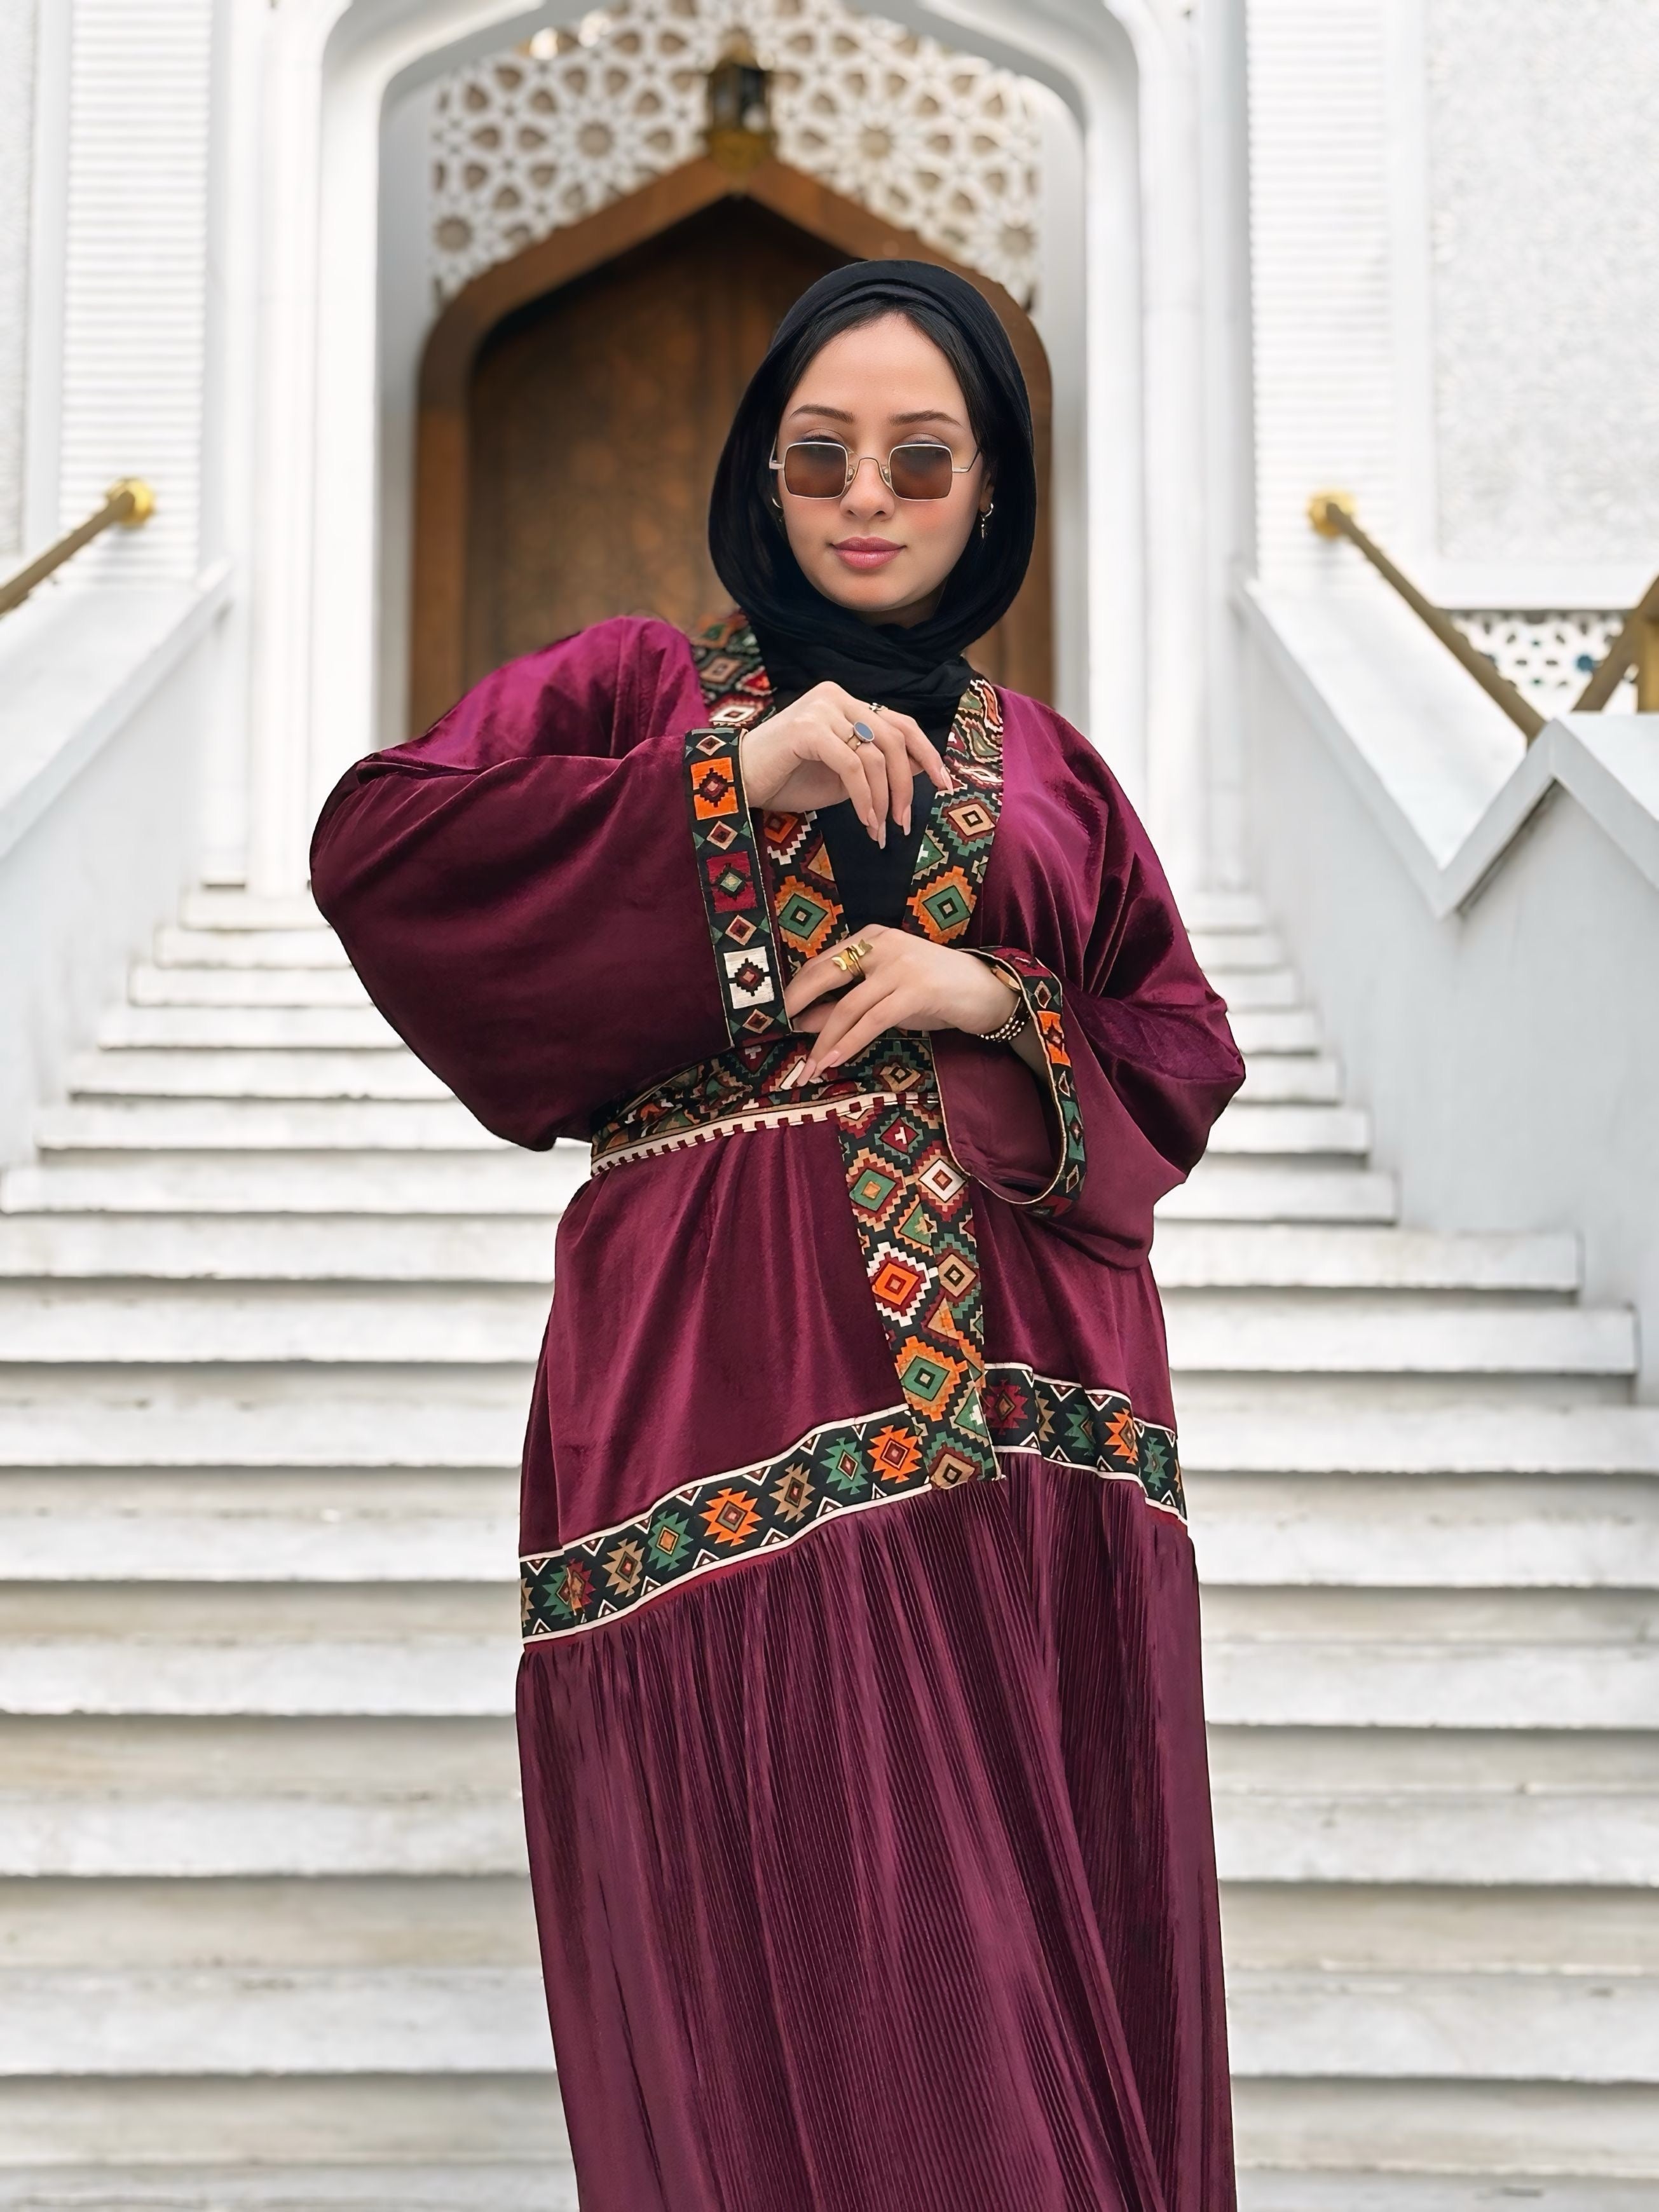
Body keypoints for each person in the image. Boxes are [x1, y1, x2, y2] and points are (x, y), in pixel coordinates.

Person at [310, 259, 1245, 2212]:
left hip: (1032, 1431)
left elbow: (1175, 1046)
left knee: (1035, 1955)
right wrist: (729, 781)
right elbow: (384, 848)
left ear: (991, 491)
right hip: (713, 1397)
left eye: (922, 458)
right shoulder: (634, 686)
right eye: (821, 458)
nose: (869, 501)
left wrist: (983, 996)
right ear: (761, 472)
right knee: (802, 1938)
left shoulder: (1058, 775)